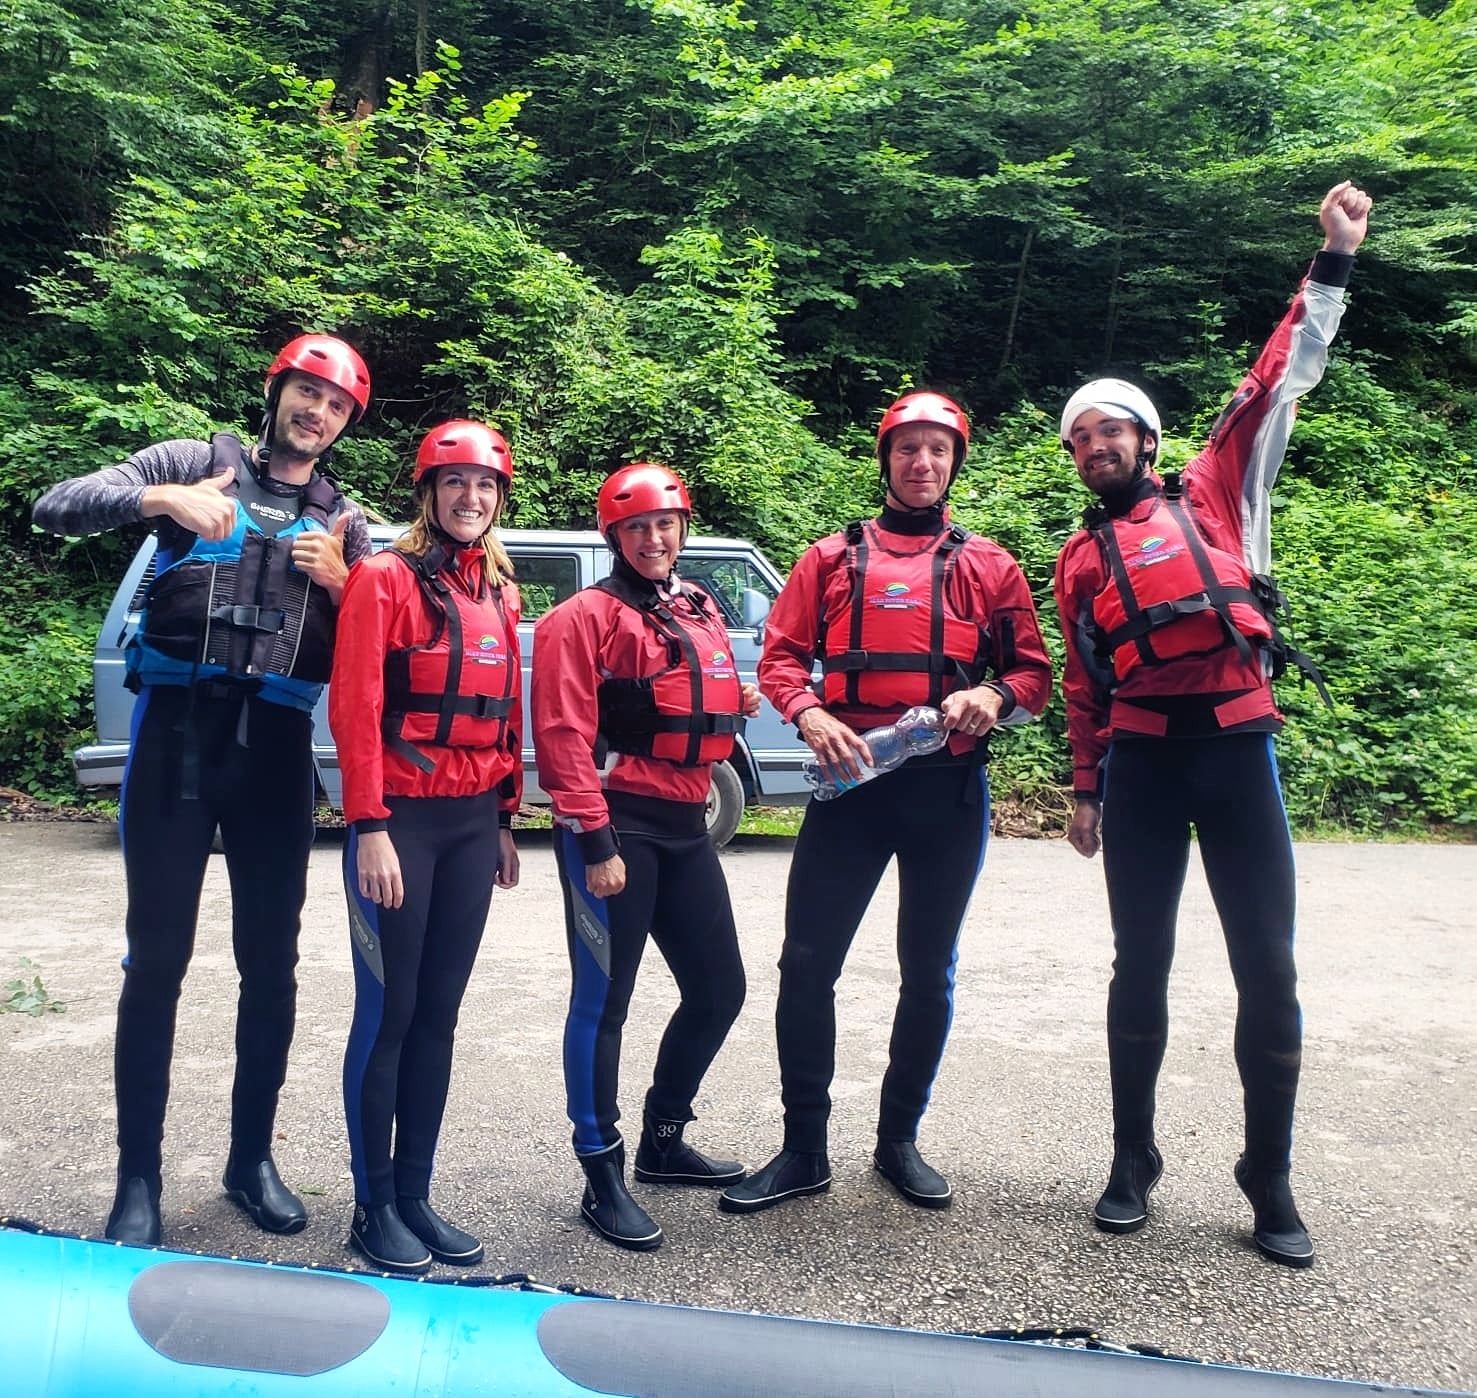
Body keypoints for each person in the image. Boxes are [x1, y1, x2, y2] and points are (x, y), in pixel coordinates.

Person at [1053, 182, 1373, 1269]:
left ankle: (1265, 1174)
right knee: (1136, 965)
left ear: (1146, 440)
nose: (1096, 444)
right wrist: (1085, 791)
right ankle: (1130, 1157)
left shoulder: (1220, 484)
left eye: (1111, 429)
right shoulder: (1079, 560)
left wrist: (1331, 261)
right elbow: (1086, 686)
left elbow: (1279, 372)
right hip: (1142, 763)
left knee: (1266, 971)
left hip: (1236, 751)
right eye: (1079, 438)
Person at [32, 334, 374, 1245]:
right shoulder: (193, 464)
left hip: (273, 754)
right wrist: (158, 497)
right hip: (177, 741)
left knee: (273, 965)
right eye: (307, 393)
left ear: (345, 425)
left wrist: (348, 590)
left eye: (336, 406)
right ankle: (136, 1180)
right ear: (278, 392)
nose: (318, 413)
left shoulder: (347, 523)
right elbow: (54, 504)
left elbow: (387, 654)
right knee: (156, 964)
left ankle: (250, 1159)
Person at [721, 392, 1053, 1216]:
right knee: (806, 965)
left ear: (954, 464)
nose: (921, 463)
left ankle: (898, 1140)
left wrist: (992, 696)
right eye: (907, 448)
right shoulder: (828, 558)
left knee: (927, 971)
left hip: (946, 790)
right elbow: (781, 658)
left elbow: (1035, 678)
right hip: (852, 785)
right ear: (885, 458)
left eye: (937, 451)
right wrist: (808, 713)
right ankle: (803, 1149)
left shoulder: (990, 566)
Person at [531, 463, 760, 1251]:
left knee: (719, 988)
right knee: (604, 1002)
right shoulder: (580, 618)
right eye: (637, 528)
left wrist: (730, 704)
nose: (654, 538)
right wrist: (594, 842)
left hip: (686, 820)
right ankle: (601, 1175)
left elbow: (699, 690)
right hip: (617, 823)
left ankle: (664, 1139)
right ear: (613, 537)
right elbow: (561, 735)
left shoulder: (693, 606)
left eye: (665, 525)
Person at [330, 420, 523, 1273]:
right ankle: (372, 1208)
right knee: (390, 1017)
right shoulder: (382, 578)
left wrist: (508, 820)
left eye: (484, 486)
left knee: (438, 1017)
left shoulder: (500, 596)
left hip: (471, 825)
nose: (470, 498)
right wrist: (367, 825)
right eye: (455, 484)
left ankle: (415, 1196)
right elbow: (356, 707)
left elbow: (504, 715)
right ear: (427, 492)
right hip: (399, 825)